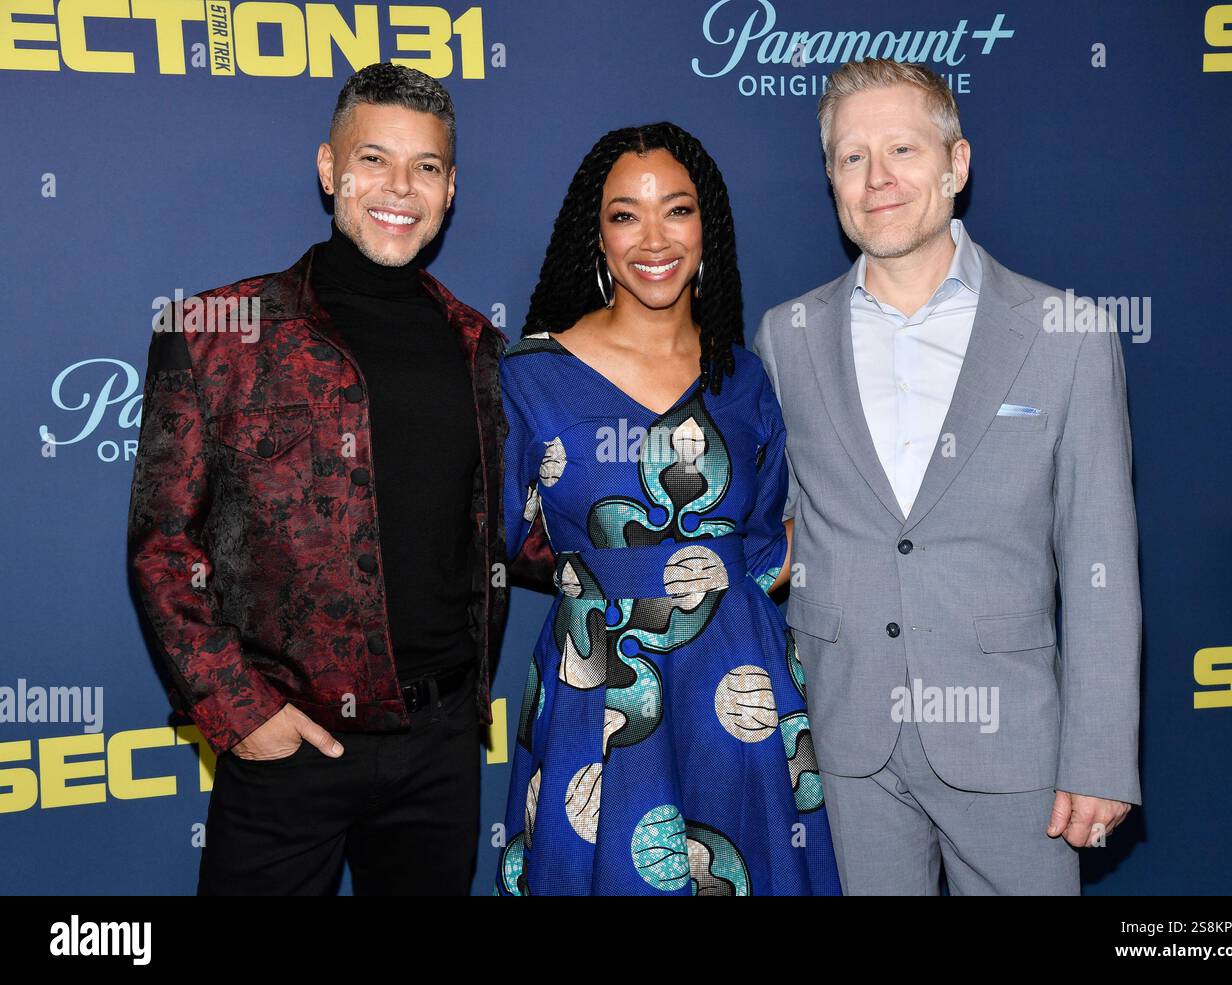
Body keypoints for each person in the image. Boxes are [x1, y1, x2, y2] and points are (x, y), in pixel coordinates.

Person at [753, 58, 1142, 895]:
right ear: (831, 179)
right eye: (852, 158)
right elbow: (774, 530)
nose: (878, 179)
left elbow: (1100, 562)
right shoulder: (786, 336)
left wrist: (1102, 754)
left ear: (956, 165)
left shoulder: (1066, 332)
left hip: (1014, 745)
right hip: (844, 740)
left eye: (902, 149)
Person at [127, 63, 508, 895]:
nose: (399, 187)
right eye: (374, 159)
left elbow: (506, 524)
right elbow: (162, 549)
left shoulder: (479, 347)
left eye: (427, 167)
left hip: (439, 745)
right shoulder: (216, 333)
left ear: (450, 190)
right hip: (287, 745)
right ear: (330, 169)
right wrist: (242, 712)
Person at [493, 123, 841, 895]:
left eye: (676, 210)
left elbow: (764, 541)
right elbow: (496, 541)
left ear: (706, 228)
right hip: (601, 688)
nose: (654, 237)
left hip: (739, 692)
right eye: (625, 214)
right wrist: (600, 578)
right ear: (597, 236)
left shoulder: (745, 379)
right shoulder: (530, 377)